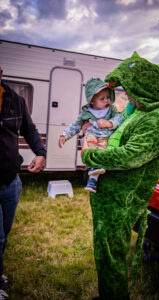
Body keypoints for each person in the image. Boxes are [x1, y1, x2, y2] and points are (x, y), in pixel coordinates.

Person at [81, 52, 159, 300]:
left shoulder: (157, 120)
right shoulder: (139, 112)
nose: (127, 96)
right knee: (105, 252)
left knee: (112, 255)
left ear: (144, 87)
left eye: (131, 90)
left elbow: (129, 156)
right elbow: (114, 131)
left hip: (123, 201)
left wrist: (90, 155)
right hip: (110, 197)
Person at [0, 67, 46, 300]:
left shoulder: (15, 100)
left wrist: (40, 152)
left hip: (11, 181)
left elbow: (29, 129)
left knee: (4, 234)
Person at [58, 77, 124, 193]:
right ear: (92, 101)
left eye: (108, 97)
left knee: (100, 153)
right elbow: (76, 125)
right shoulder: (86, 112)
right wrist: (65, 135)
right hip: (91, 138)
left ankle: (92, 181)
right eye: (102, 98)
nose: (106, 101)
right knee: (92, 148)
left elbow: (120, 118)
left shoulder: (111, 110)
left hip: (104, 138)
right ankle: (93, 173)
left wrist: (109, 123)